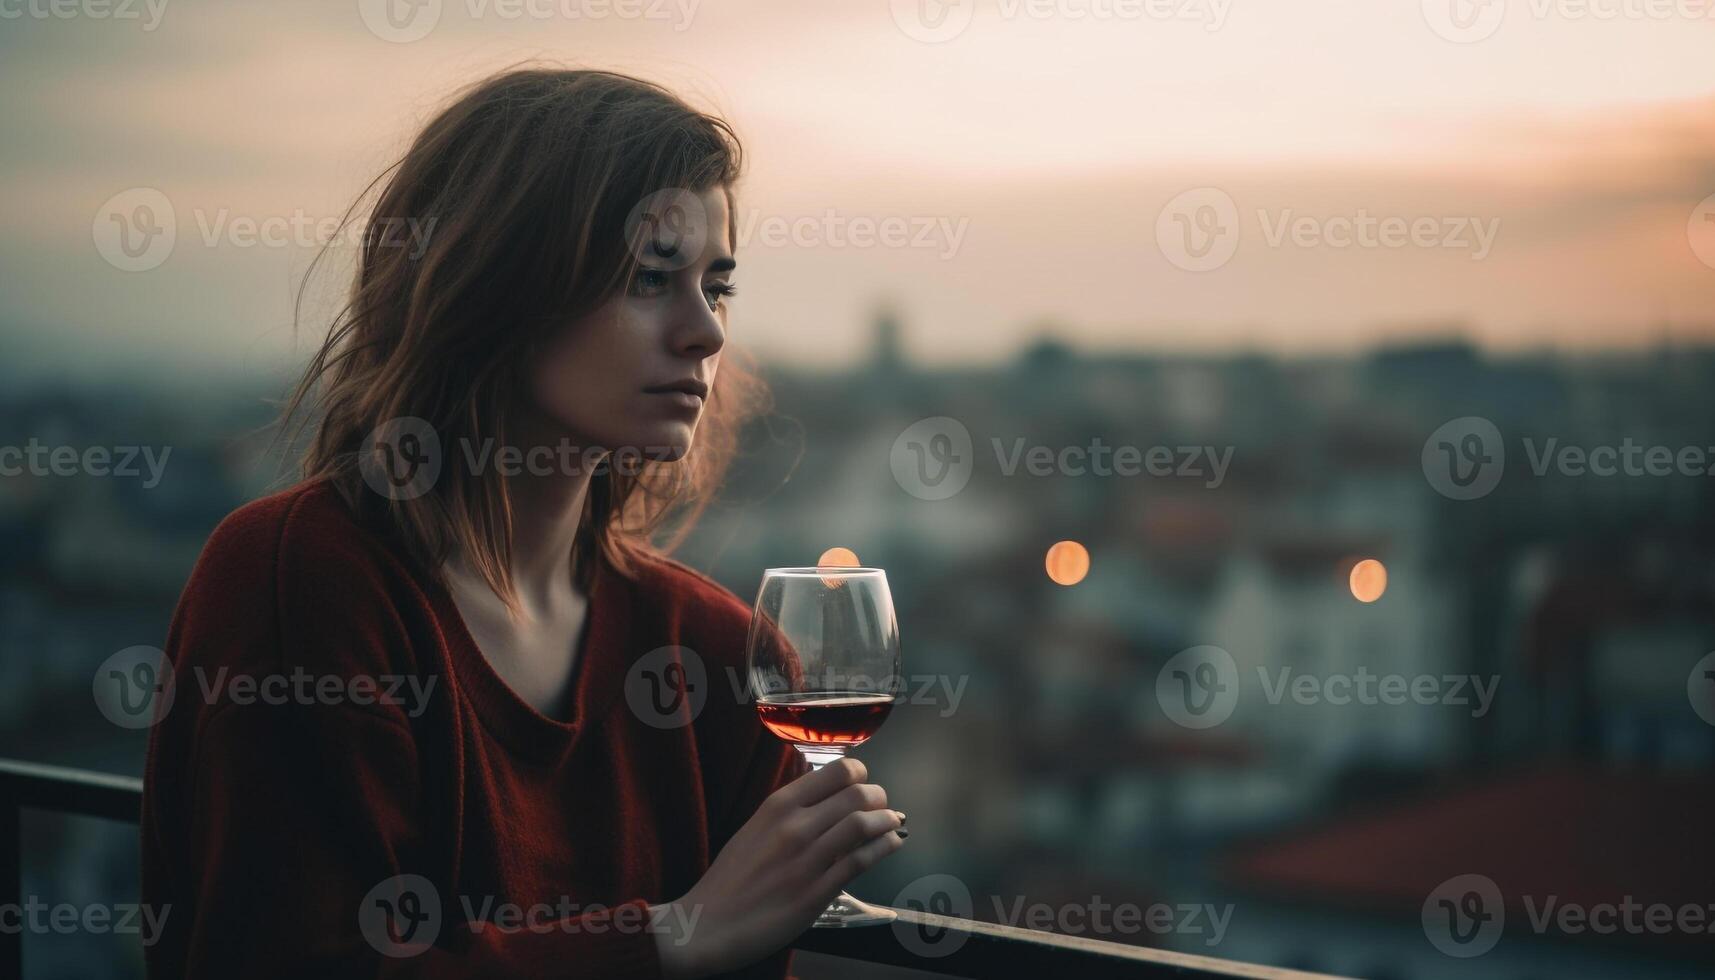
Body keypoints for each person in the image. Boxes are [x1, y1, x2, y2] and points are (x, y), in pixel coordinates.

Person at [140, 67, 906, 979]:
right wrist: (671, 935)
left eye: (717, 286)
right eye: (647, 277)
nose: (704, 332)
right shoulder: (301, 578)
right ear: (494, 287)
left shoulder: (717, 652)